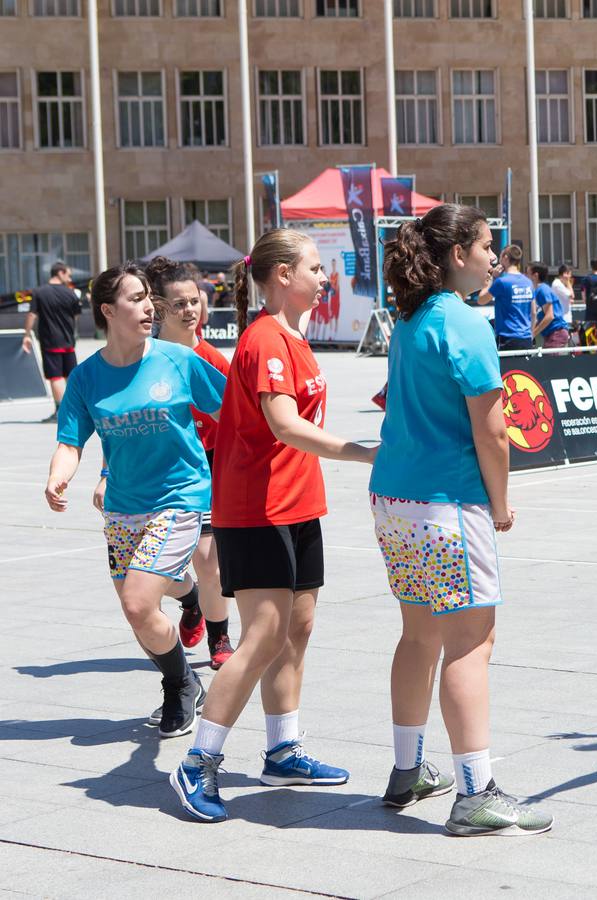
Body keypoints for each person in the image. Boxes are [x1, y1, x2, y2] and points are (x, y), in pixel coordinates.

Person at [170, 229, 377, 824]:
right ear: (282, 275)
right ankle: (199, 762)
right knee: (263, 633)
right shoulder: (264, 340)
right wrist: (364, 452)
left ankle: (283, 749)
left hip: (297, 502)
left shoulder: (295, 336)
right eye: (315, 267)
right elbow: (284, 425)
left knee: (298, 627)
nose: (324, 276)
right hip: (255, 508)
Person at [370, 204, 552, 836]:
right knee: (471, 644)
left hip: (394, 496)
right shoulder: (466, 323)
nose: (494, 258)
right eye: (485, 247)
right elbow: (493, 430)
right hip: (446, 502)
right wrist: (500, 505)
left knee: (418, 636)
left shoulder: (412, 316)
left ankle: (406, 768)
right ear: (456, 256)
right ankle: (476, 792)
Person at [45, 262, 225, 739]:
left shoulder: (177, 360)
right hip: (124, 507)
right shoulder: (86, 379)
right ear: (108, 309)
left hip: (180, 497)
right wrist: (57, 478)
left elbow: (235, 412)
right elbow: (70, 442)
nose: (149, 306)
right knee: (140, 614)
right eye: (136, 298)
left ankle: (178, 685)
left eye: (149, 297)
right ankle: (185, 666)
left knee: (137, 603)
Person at [147, 256, 236, 669]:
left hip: (208, 467)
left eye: (194, 302)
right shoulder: (142, 359)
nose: (190, 311)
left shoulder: (213, 361)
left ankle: (220, 638)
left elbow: (238, 421)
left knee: (207, 560)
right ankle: (190, 599)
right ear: (158, 307)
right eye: (179, 304)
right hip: (156, 469)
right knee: (148, 569)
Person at [23, 261, 84, 423]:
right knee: (70, 376)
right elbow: (76, 315)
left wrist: (27, 334)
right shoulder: (71, 293)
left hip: (50, 341)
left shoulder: (39, 292)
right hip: (69, 342)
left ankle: (60, 411)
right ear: (60, 273)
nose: (69, 278)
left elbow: (32, 315)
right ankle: (75, 409)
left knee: (55, 377)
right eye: (68, 274)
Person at [489, 245, 536, 351]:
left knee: (509, 368)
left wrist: (493, 277)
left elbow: (482, 299)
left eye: (501, 255)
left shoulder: (502, 282)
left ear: (505, 257)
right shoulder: (528, 282)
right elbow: (533, 312)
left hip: (507, 338)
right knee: (524, 368)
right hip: (526, 338)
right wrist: (531, 334)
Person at [531, 263, 569, 348]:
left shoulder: (542, 290)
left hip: (556, 333)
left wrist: (533, 333)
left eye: (528, 273)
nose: (525, 276)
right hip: (552, 334)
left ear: (535, 275)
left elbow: (550, 316)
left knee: (550, 360)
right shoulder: (539, 290)